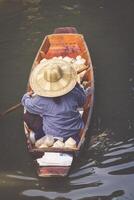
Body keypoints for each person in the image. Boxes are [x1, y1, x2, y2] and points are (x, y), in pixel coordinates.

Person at [21, 58, 88, 145]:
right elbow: (83, 101)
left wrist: (26, 96)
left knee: (28, 114)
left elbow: (26, 103)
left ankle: (38, 135)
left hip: (53, 134)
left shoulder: (40, 100)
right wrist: (77, 85)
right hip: (75, 129)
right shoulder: (74, 92)